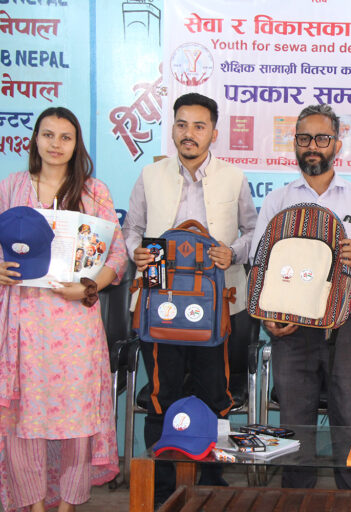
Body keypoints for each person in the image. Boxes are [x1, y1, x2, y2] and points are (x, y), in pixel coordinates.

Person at [122, 92, 258, 503]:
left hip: (218, 309)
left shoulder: (233, 177)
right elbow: (132, 228)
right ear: (173, 129)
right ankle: (162, 489)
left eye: (199, 126)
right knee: (162, 395)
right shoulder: (150, 175)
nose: (189, 133)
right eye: (182, 124)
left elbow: (253, 231)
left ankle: (211, 483)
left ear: (213, 133)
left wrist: (233, 252)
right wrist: (136, 251)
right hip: (159, 307)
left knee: (214, 395)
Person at [250, 104, 351, 490]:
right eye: (305, 138)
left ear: (337, 145)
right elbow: (260, 263)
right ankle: (296, 498)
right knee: (294, 423)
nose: (313, 146)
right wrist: (267, 317)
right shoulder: (277, 201)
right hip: (291, 329)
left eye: (322, 138)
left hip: (349, 326)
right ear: (294, 144)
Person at [0, 107, 128, 512]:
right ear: (35, 139)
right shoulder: (11, 187)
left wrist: (89, 286)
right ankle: (34, 504)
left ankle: (68, 505)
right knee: (23, 421)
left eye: (65, 137)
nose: (56, 144)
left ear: (77, 145)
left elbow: (118, 255)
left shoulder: (94, 192)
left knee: (77, 420)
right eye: (48, 135)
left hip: (74, 324)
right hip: (23, 323)